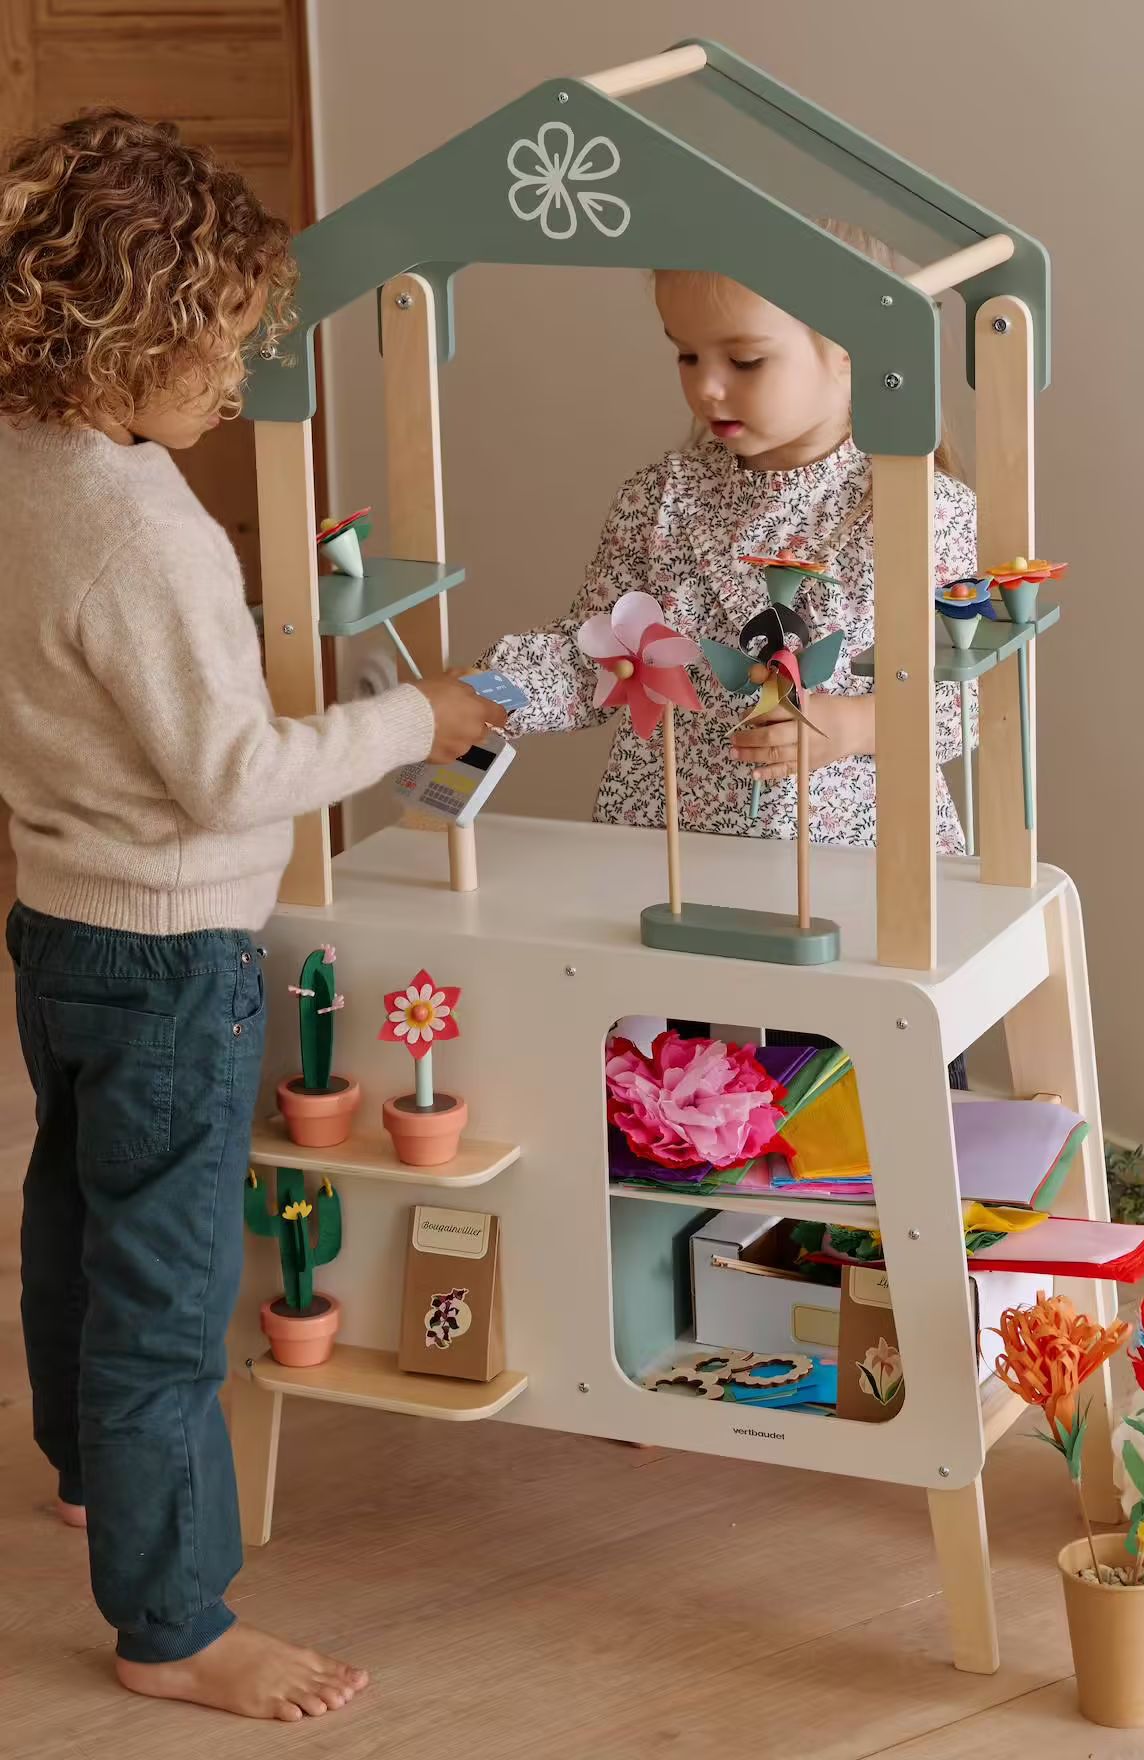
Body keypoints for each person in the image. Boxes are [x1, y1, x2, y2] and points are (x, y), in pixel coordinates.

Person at [0, 108, 503, 1722]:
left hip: (58, 917)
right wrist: (421, 718)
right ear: (120, 337)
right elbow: (230, 774)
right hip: (170, 949)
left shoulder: (28, 463)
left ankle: (91, 1472)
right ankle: (175, 1624)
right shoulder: (140, 527)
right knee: (165, 1290)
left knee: (76, 1212)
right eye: (215, 345)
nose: (237, 377)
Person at [478, 220, 978, 855]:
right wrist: (485, 694)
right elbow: (594, 660)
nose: (707, 387)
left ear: (851, 350)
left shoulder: (919, 510)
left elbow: (971, 701)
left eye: (745, 361)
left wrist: (856, 724)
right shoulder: (658, 498)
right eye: (687, 355)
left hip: (856, 860)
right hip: (669, 847)